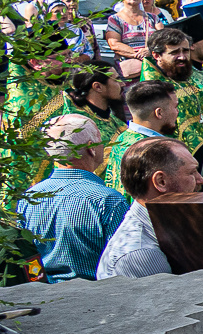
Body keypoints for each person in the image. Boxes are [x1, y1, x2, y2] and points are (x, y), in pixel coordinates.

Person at [17, 113, 129, 282]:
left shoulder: (28, 198)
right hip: (98, 297)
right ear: (91, 147)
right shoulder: (108, 200)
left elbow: (25, 255)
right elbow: (123, 263)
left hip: (43, 296)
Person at [139, 19, 203, 163]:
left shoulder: (186, 75)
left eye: (186, 51)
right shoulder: (154, 90)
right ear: (157, 56)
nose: (182, 57)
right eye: (175, 52)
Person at [98, 135, 203, 280]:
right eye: (192, 172)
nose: (201, 180)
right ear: (161, 181)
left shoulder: (161, 227)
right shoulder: (141, 253)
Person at [102, 79, 179, 200]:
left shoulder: (123, 137)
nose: (177, 112)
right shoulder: (152, 150)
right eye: (175, 107)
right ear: (159, 113)